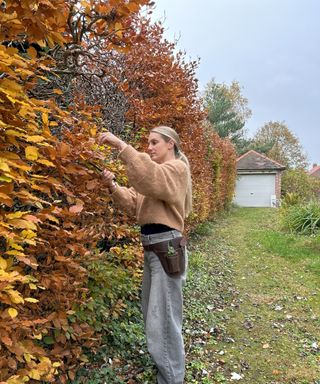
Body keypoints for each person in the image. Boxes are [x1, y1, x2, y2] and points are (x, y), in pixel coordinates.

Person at [98, 126, 192, 384]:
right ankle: (168, 373)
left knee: (163, 319)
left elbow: (151, 177)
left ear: (170, 144)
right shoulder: (155, 176)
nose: (149, 147)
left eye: (154, 142)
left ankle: (172, 378)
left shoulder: (176, 170)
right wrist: (112, 185)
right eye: (147, 143)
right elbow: (133, 203)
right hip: (153, 250)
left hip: (166, 249)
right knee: (155, 315)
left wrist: (121, 145)